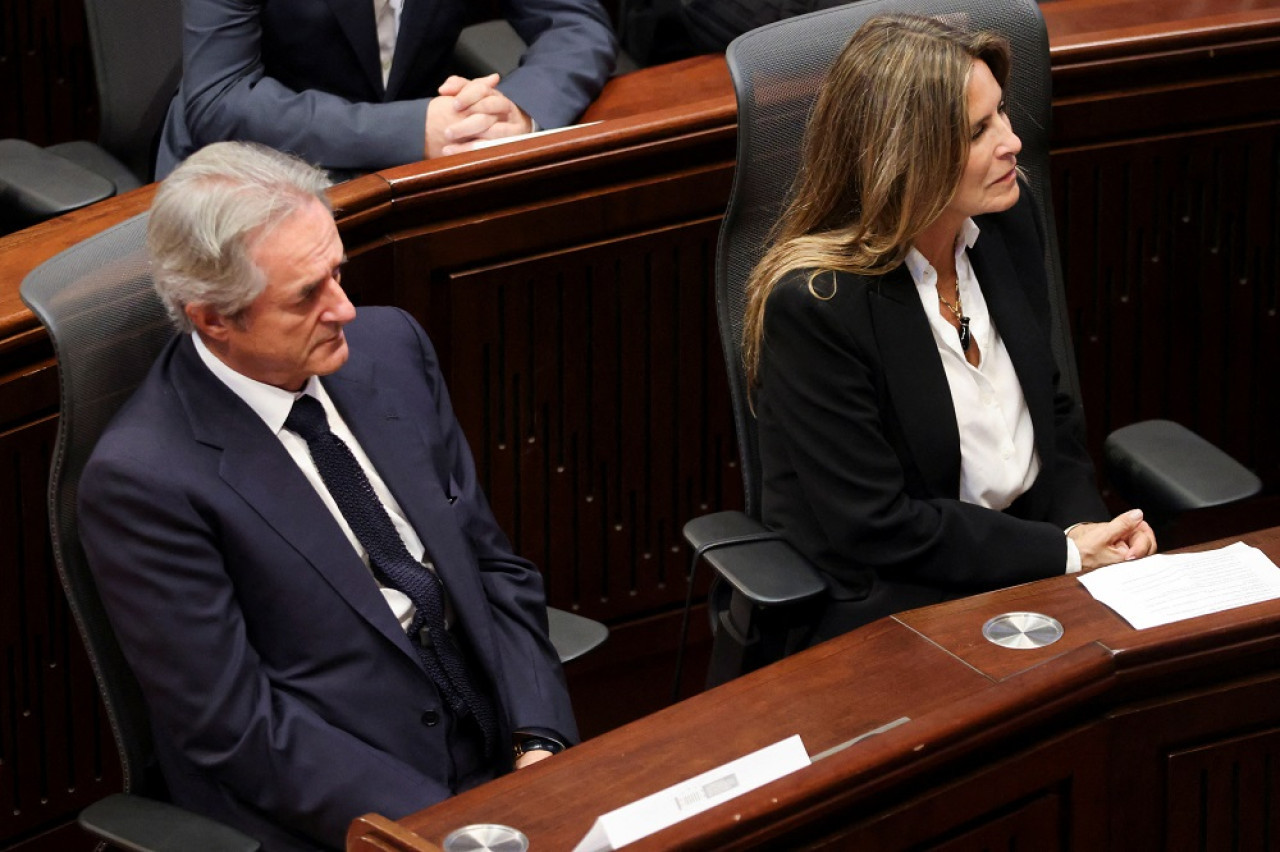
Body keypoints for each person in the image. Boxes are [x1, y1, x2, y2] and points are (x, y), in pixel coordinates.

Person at [78, 141, 577, 851]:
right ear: (214, 318)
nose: (344, 308)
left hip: (501, 748)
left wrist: (540, 740)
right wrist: (438, 828)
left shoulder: (391, 350)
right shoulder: (142, 479)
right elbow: (238, 726)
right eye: (306, 296)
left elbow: (491, 568)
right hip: (345, 807)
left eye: (338, 273)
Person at [743, 15, 1157, 643]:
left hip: (1030, 568)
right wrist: (1066, 555)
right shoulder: (815, 305)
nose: (1013, 143)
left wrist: (1097, 539)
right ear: (903, 156)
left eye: (1004, 115)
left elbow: (1054, 418)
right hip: (898, 608)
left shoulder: (1006, 227)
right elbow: (879, 526)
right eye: (979, 130)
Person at [155, 0, 619, 178]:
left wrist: (516, 113)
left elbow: (575, 24)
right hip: (253, 168)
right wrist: (415, 129)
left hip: (415, 176)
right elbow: (220, 98)